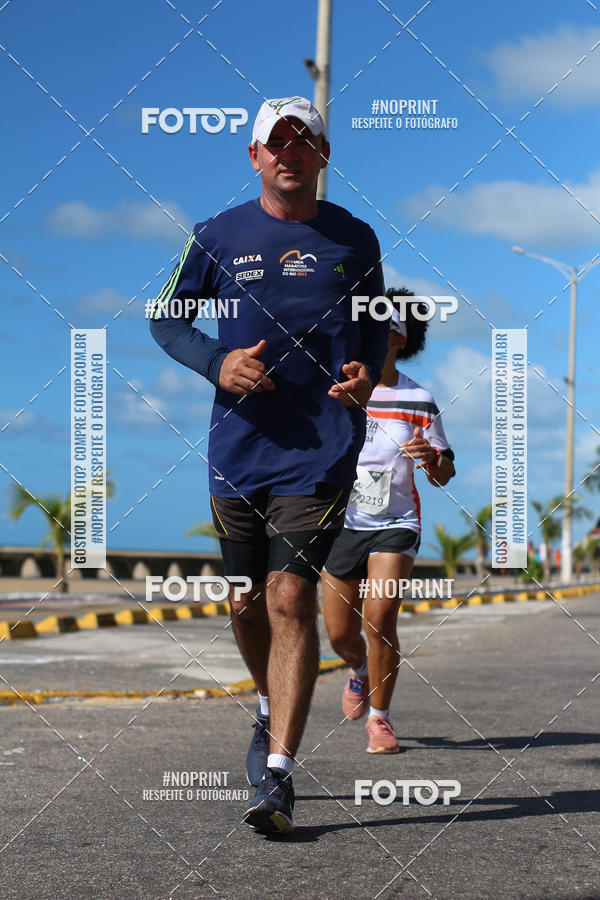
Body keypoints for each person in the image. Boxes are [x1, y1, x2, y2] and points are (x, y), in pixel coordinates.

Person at [149, 96, 389, 832]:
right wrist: (217, 362)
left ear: (323, 155)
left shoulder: (356, 238)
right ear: (254, 156)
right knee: (245, 601)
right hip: (237, 451)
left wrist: (366, 378)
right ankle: (265, 704)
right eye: (275, 141)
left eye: (303, 140)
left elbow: (379, 325)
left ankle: (278, 774)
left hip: (321, 446)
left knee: (289, 596)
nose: (289, 151)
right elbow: (164, 317)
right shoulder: (215, 235)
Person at [321, 289, 456, 753]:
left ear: (399, 340)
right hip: (341, 524)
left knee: (379, 619)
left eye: (387, 331)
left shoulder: (418, 398)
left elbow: (444, 473)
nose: (377, 338)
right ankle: (358, 671)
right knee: (340, 633)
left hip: (396, 523)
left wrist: (431, 457)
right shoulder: (335, 390)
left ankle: (380, 719)